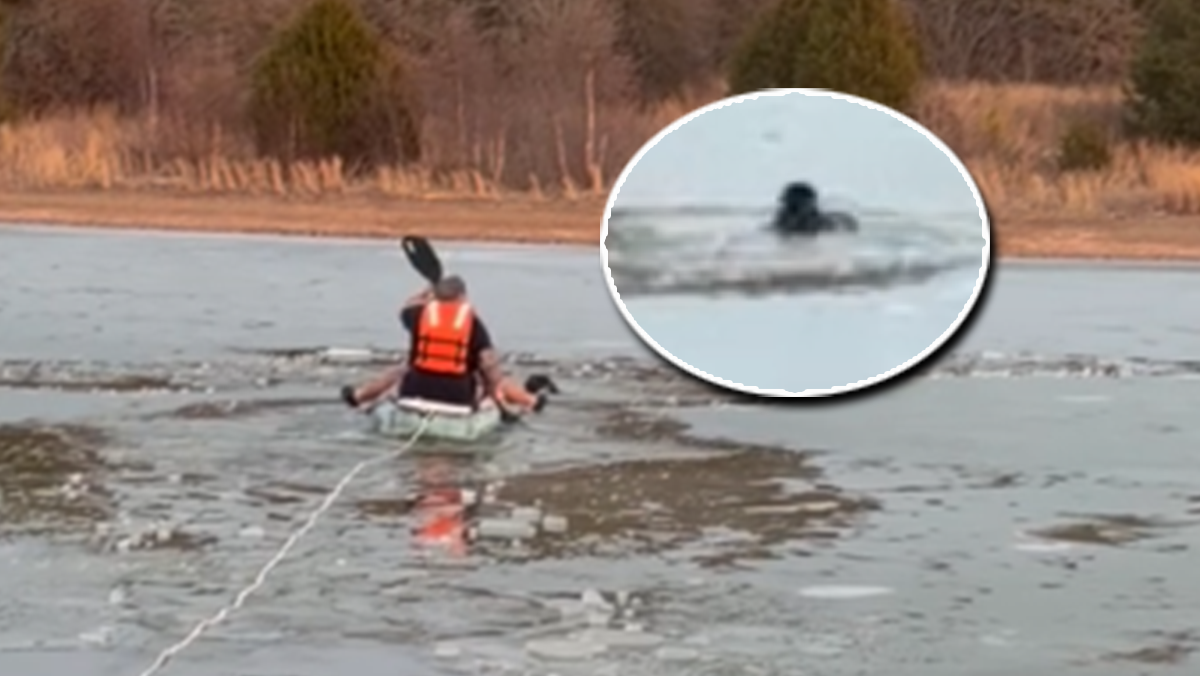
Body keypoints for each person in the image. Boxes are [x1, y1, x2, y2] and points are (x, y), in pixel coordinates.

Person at [340, 275, 555, 413]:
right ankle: (532, 402)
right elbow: (490, 367)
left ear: (434, 297)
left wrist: (425, 292)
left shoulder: (418, 315)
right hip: (457, 399)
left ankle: (358, 397)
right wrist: (495, 395)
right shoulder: (473, 323)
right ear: (462, 296)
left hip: (413, 394)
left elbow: (406, 307)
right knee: (498, 380)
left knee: (402, 369)